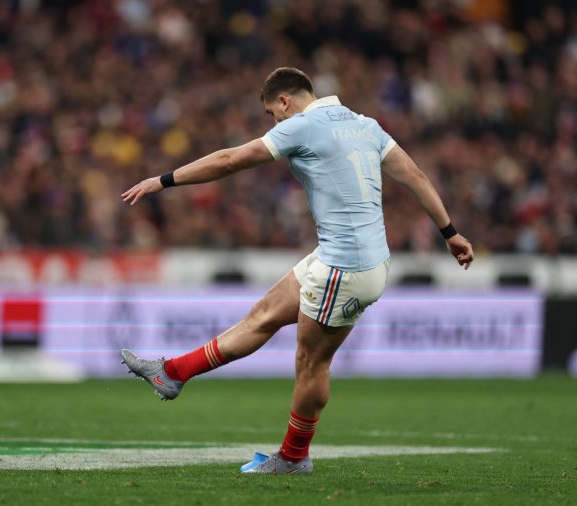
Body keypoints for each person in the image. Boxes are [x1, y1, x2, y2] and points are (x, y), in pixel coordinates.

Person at [120, 67, 474, 474]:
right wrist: (450, 232)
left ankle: (293, 457)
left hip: (346, 267)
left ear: (284, 101)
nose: (276, 123)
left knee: (311, 363)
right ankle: (172, 373)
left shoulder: (303, 125)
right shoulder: (365, 125)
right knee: (263, 315)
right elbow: (415, 175)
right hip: (347, 256)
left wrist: (162, 181)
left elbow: (229, 160)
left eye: (273, 113)